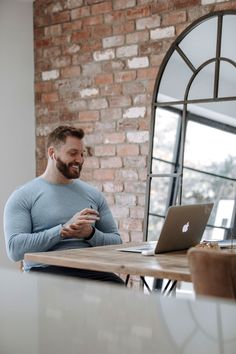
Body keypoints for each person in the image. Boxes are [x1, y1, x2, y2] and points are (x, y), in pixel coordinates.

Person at [4, 125, 124, 285]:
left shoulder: (93, 194)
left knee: (119, 288)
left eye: (82, 154)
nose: (79, 160)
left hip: (91, 271)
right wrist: (63, 230)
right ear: (52, 153)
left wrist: (90, 233)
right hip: (46, 272)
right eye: (73, 153)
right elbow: (14, 249)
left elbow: (116, 243)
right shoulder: (23, 196)